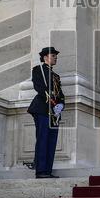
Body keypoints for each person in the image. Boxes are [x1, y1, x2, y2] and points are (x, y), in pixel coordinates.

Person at [28, 46, 65, 179]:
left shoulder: (56, 76)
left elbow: (60, 93)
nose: (55, 57)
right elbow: (39, 88)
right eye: (53, 55)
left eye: (56, 55)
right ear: (45, 57)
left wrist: (61, 104)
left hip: (54, 112)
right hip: (42, 109)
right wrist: (53, 103)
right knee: (43, 139)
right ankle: (41, 170)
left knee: (51, 140)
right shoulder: (38, 70)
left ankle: (47, 170)